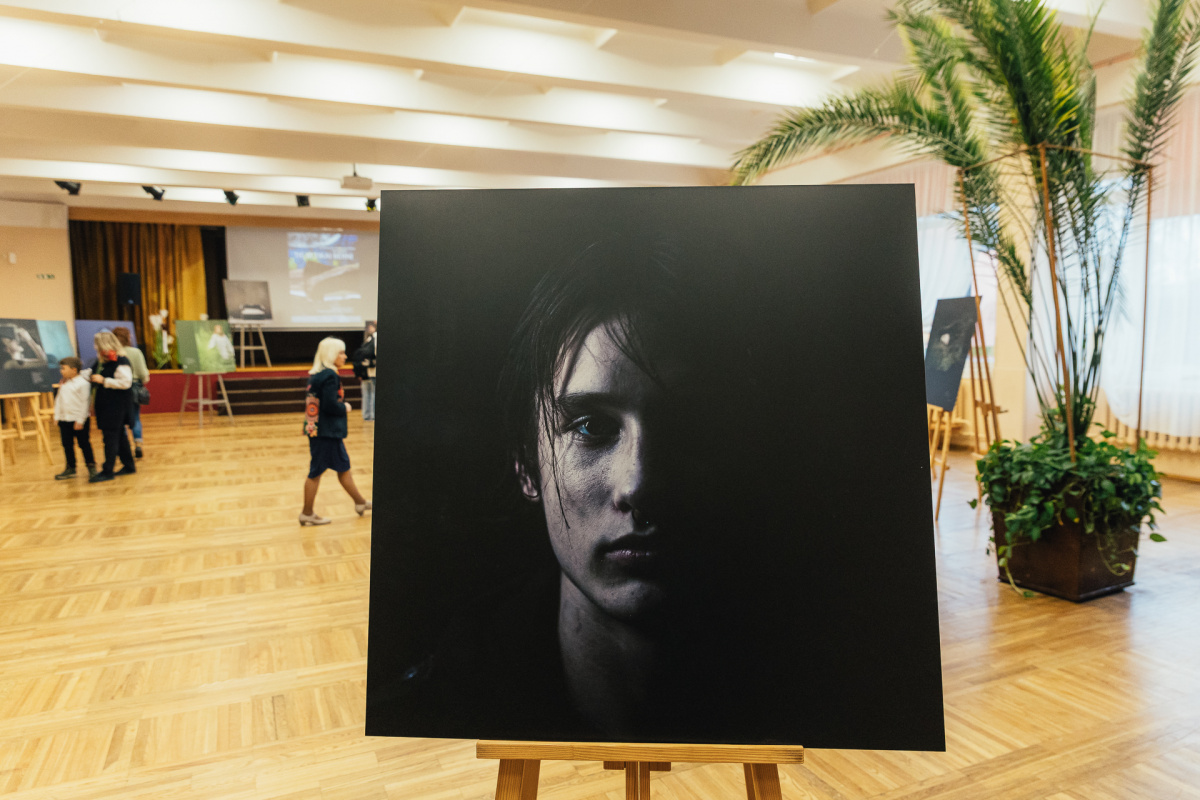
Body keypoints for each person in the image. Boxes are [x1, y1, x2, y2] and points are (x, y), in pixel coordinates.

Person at [300, 337, 371, 525]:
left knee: (343, 467)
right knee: (316, 472)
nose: (345, 356)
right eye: (341, 352)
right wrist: (345, 407)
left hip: (317, 429)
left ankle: (360, 502)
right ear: (331, 354)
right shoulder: (330, 376)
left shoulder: (316, 375)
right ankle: (307, 513)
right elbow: (330, 405)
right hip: (326, 433)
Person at [88, 330, 136, 482]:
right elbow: (92, 374)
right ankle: (129, 465)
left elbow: (125, 383)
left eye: (97, 344)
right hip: (106, 406)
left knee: (110, 438)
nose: (95, 347)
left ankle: (107, 470)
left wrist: (104, 380)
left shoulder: (121, 361)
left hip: (116, 407)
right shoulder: (102, 361)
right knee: (119, 436)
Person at [52, 356, 97, 480]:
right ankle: (70, 468)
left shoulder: (83, 384)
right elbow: (59, 400)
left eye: (63, 368)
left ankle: (91, 466)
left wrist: (80, 420)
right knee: (67, 444)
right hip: (64, 419)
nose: (61, 371)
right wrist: (57, 416)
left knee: (84, 444)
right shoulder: (64, 383)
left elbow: (85, 403)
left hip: (78, 420)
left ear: (74, 370)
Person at [113, 327, 149, 458]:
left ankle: (123, 447)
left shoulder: (112, 353)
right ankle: (138, 445)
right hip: (134, 387)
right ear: (129, 337)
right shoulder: (136, 352)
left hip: (117, 388)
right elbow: (143, 374)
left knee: (119, 419)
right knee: (135, 417)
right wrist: (143, 381)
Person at [352, 321, 377, 421]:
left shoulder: (370, 339)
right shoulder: (372, 339)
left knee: (369, 394)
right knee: (371, 394)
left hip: (368, 371)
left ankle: (368, 415)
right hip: (370, 371)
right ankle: (370, 415)